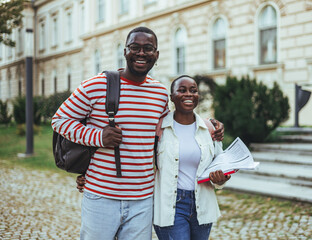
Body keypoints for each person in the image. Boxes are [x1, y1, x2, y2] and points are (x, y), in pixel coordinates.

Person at [52, 26, 224, 240]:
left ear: (156, 55)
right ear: (125, 51)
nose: (141, 53)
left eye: (148, 48)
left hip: (143, 200)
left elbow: (171, 128)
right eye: (135, 47)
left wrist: (210, 126)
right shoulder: (96, 85)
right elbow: (60, 120)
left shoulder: (160, 94)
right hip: (101, 195)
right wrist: (98, 137)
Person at [153, 75, 230, 240]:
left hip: (202, 204)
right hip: (171, 206)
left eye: (193, 91)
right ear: (172, 97)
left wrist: (221, 178)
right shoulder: (159, 129)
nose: (188, 94)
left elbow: (220, 164)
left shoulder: (210, 128)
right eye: (182, 90)